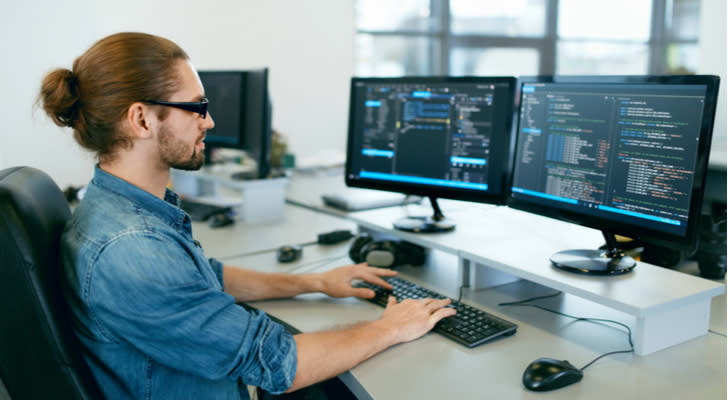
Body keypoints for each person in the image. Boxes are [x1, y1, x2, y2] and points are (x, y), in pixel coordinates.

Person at [39, 32, 455, 400]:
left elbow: (205, 278)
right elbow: (279, 364)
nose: (210, 120)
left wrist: (315, 282)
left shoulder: (120, 207)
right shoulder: (132, 247)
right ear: (142, 119)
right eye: (196, 107)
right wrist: (390, 327)